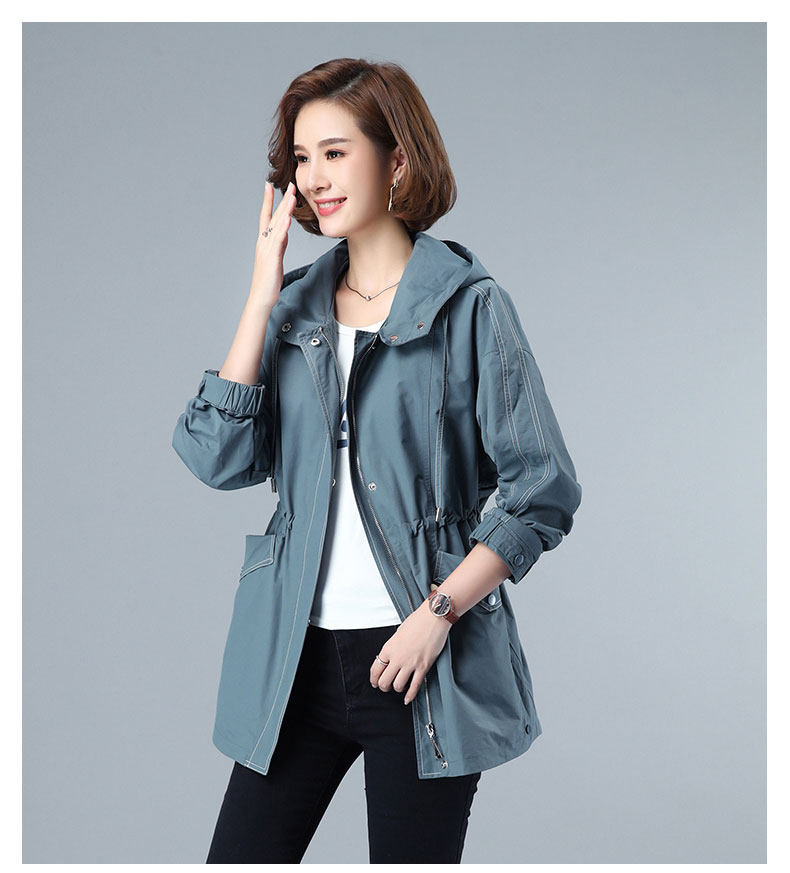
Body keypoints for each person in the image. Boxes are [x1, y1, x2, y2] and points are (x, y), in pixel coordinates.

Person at [171, 57, 582, 864]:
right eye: (302, 157)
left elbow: (542, 489)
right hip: (293, 661)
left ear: (397, 160)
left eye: (335, 152)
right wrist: (260, 296)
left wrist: (438, 614)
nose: (314, 177)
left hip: (422, 664)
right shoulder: (292, 312)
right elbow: (217, 458)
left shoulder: (470, 306)